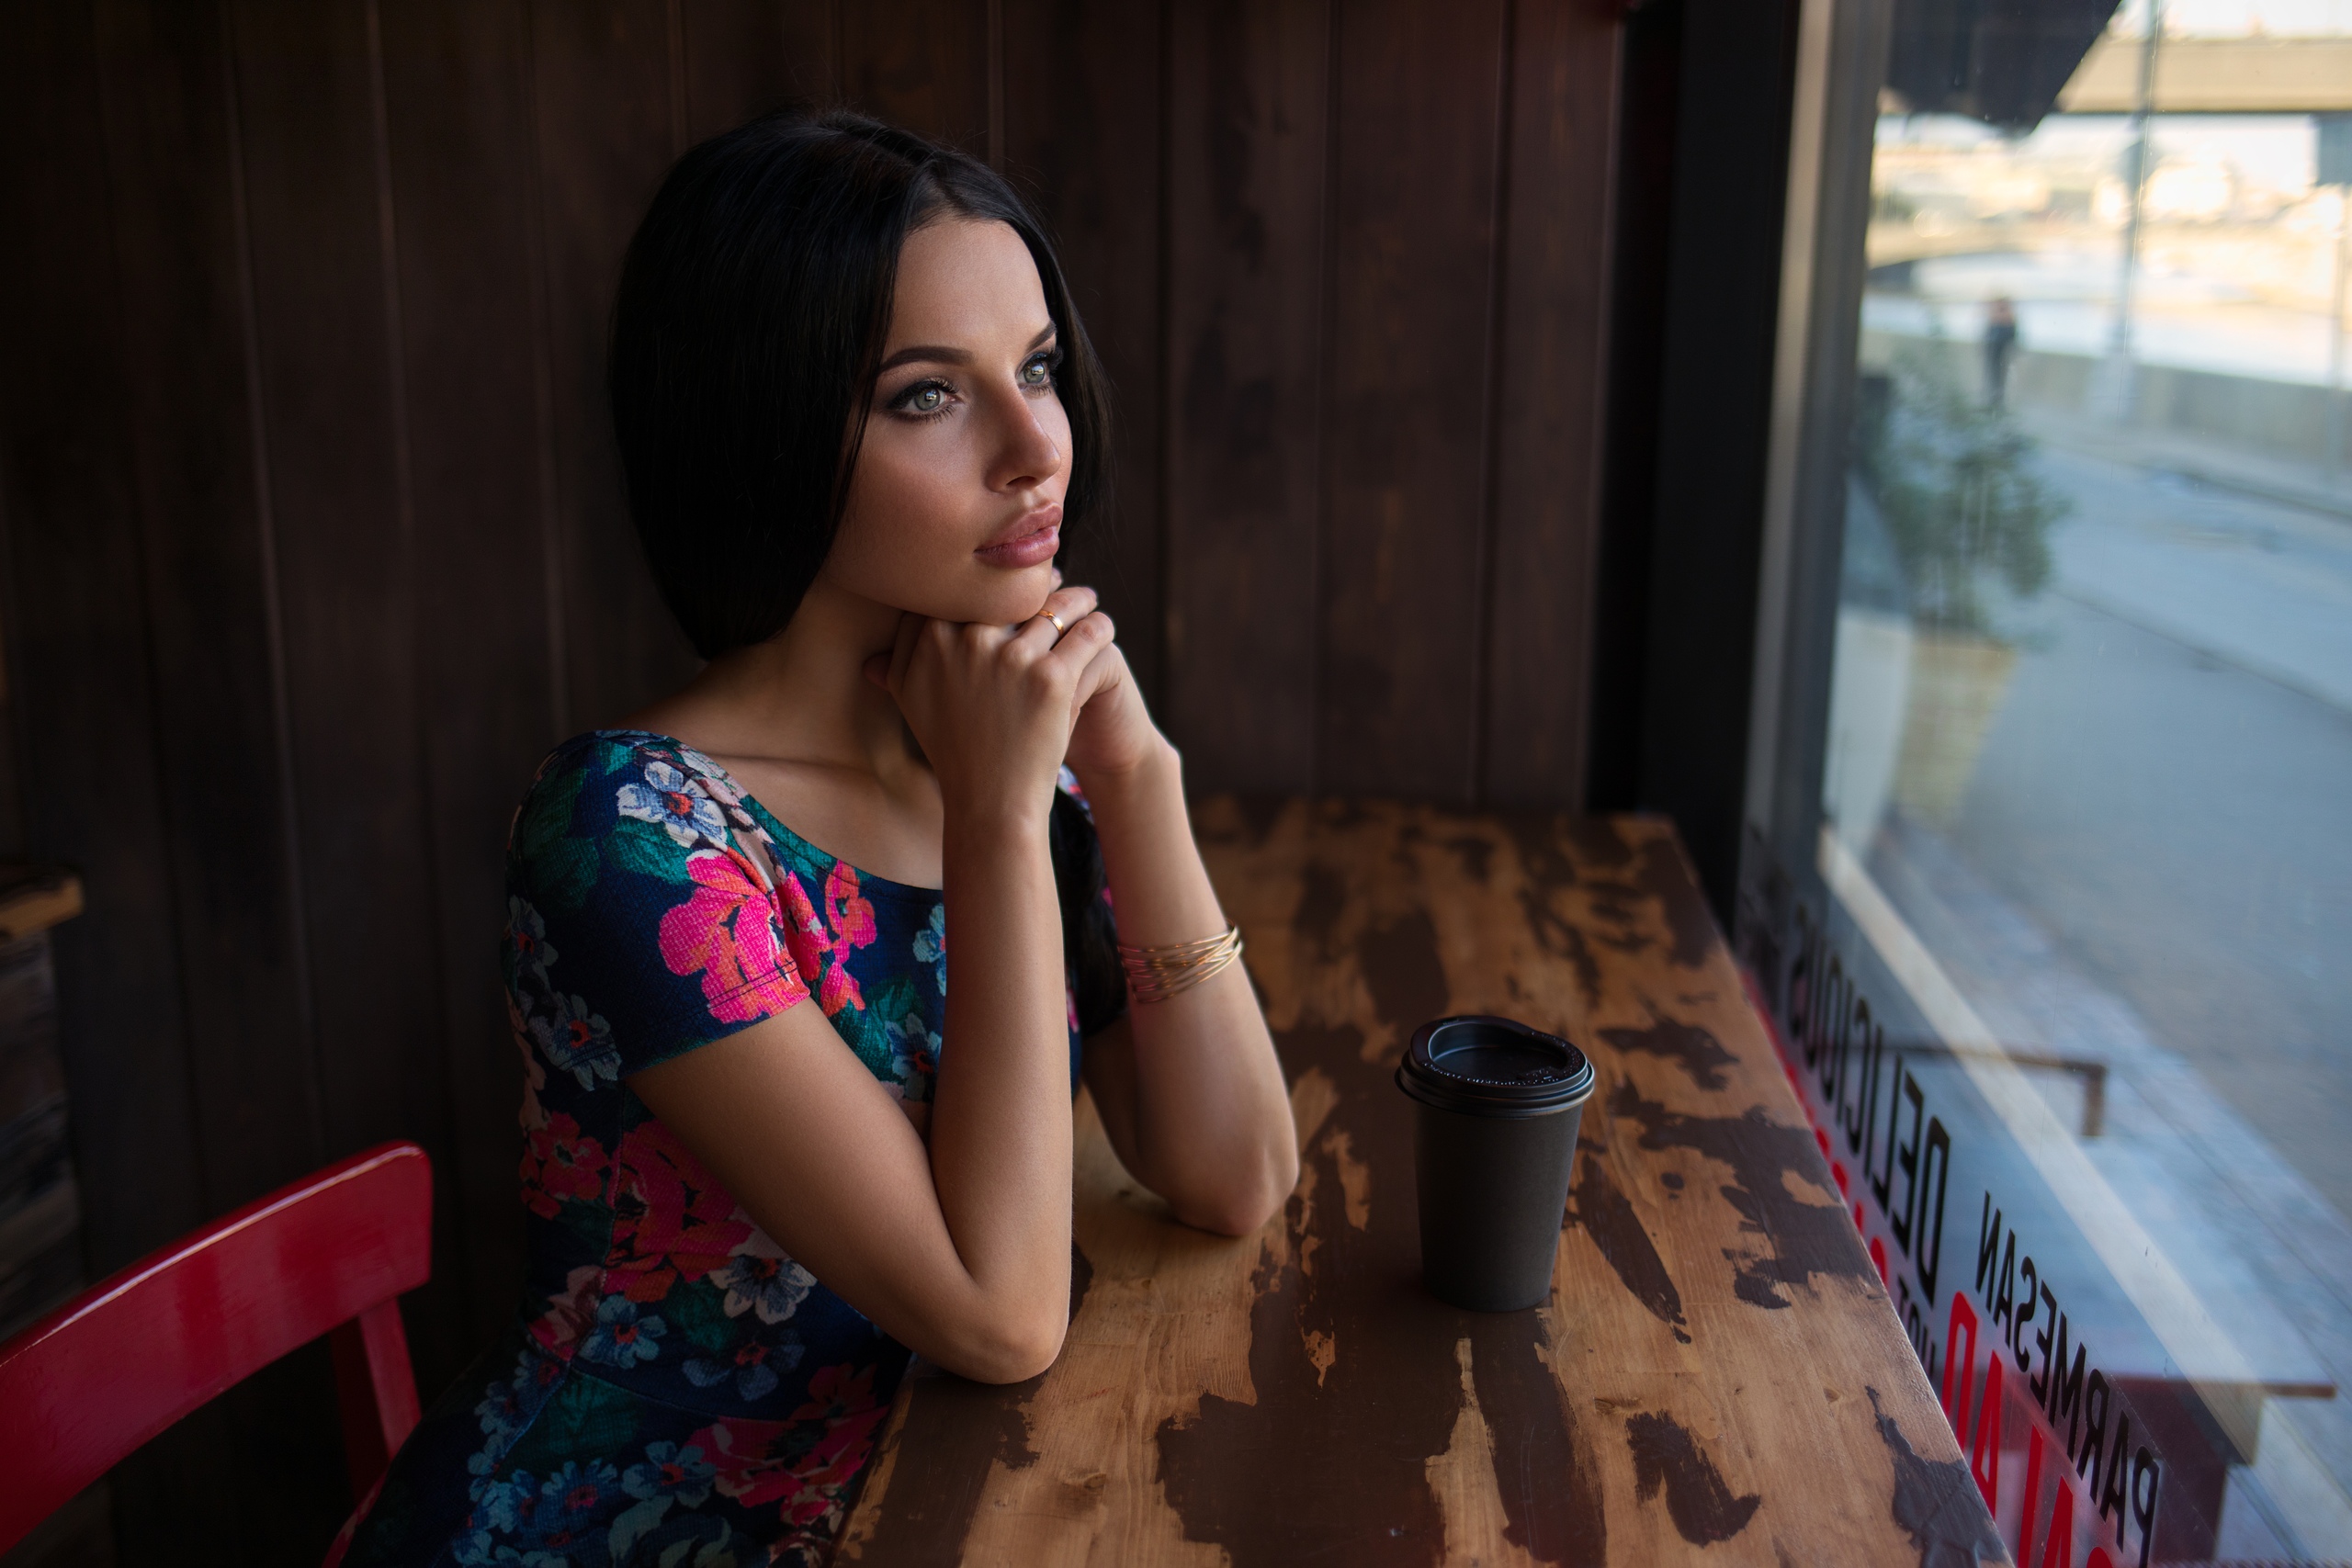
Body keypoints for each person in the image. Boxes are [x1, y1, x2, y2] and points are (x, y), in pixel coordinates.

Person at [334, 111, 1299, 1568]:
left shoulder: (1000, 745)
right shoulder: (629, 827)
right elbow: (1001, 1313)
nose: (1039, 446)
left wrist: (1135, 768)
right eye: (928, 396)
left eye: (1036, 368)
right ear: (764, 426)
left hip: (928, 1497)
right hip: (631, 1530)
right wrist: (996, 811)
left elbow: (1234, 1171)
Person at [1983, 295, 2018, 410]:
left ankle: (1998, 401)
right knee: (1993, 376)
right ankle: (1994, 400)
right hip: (1994, 353)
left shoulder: (2007, 321)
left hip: (2002, 355)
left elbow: (2012, 338)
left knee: (2001, 376)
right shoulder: (1996, 321)